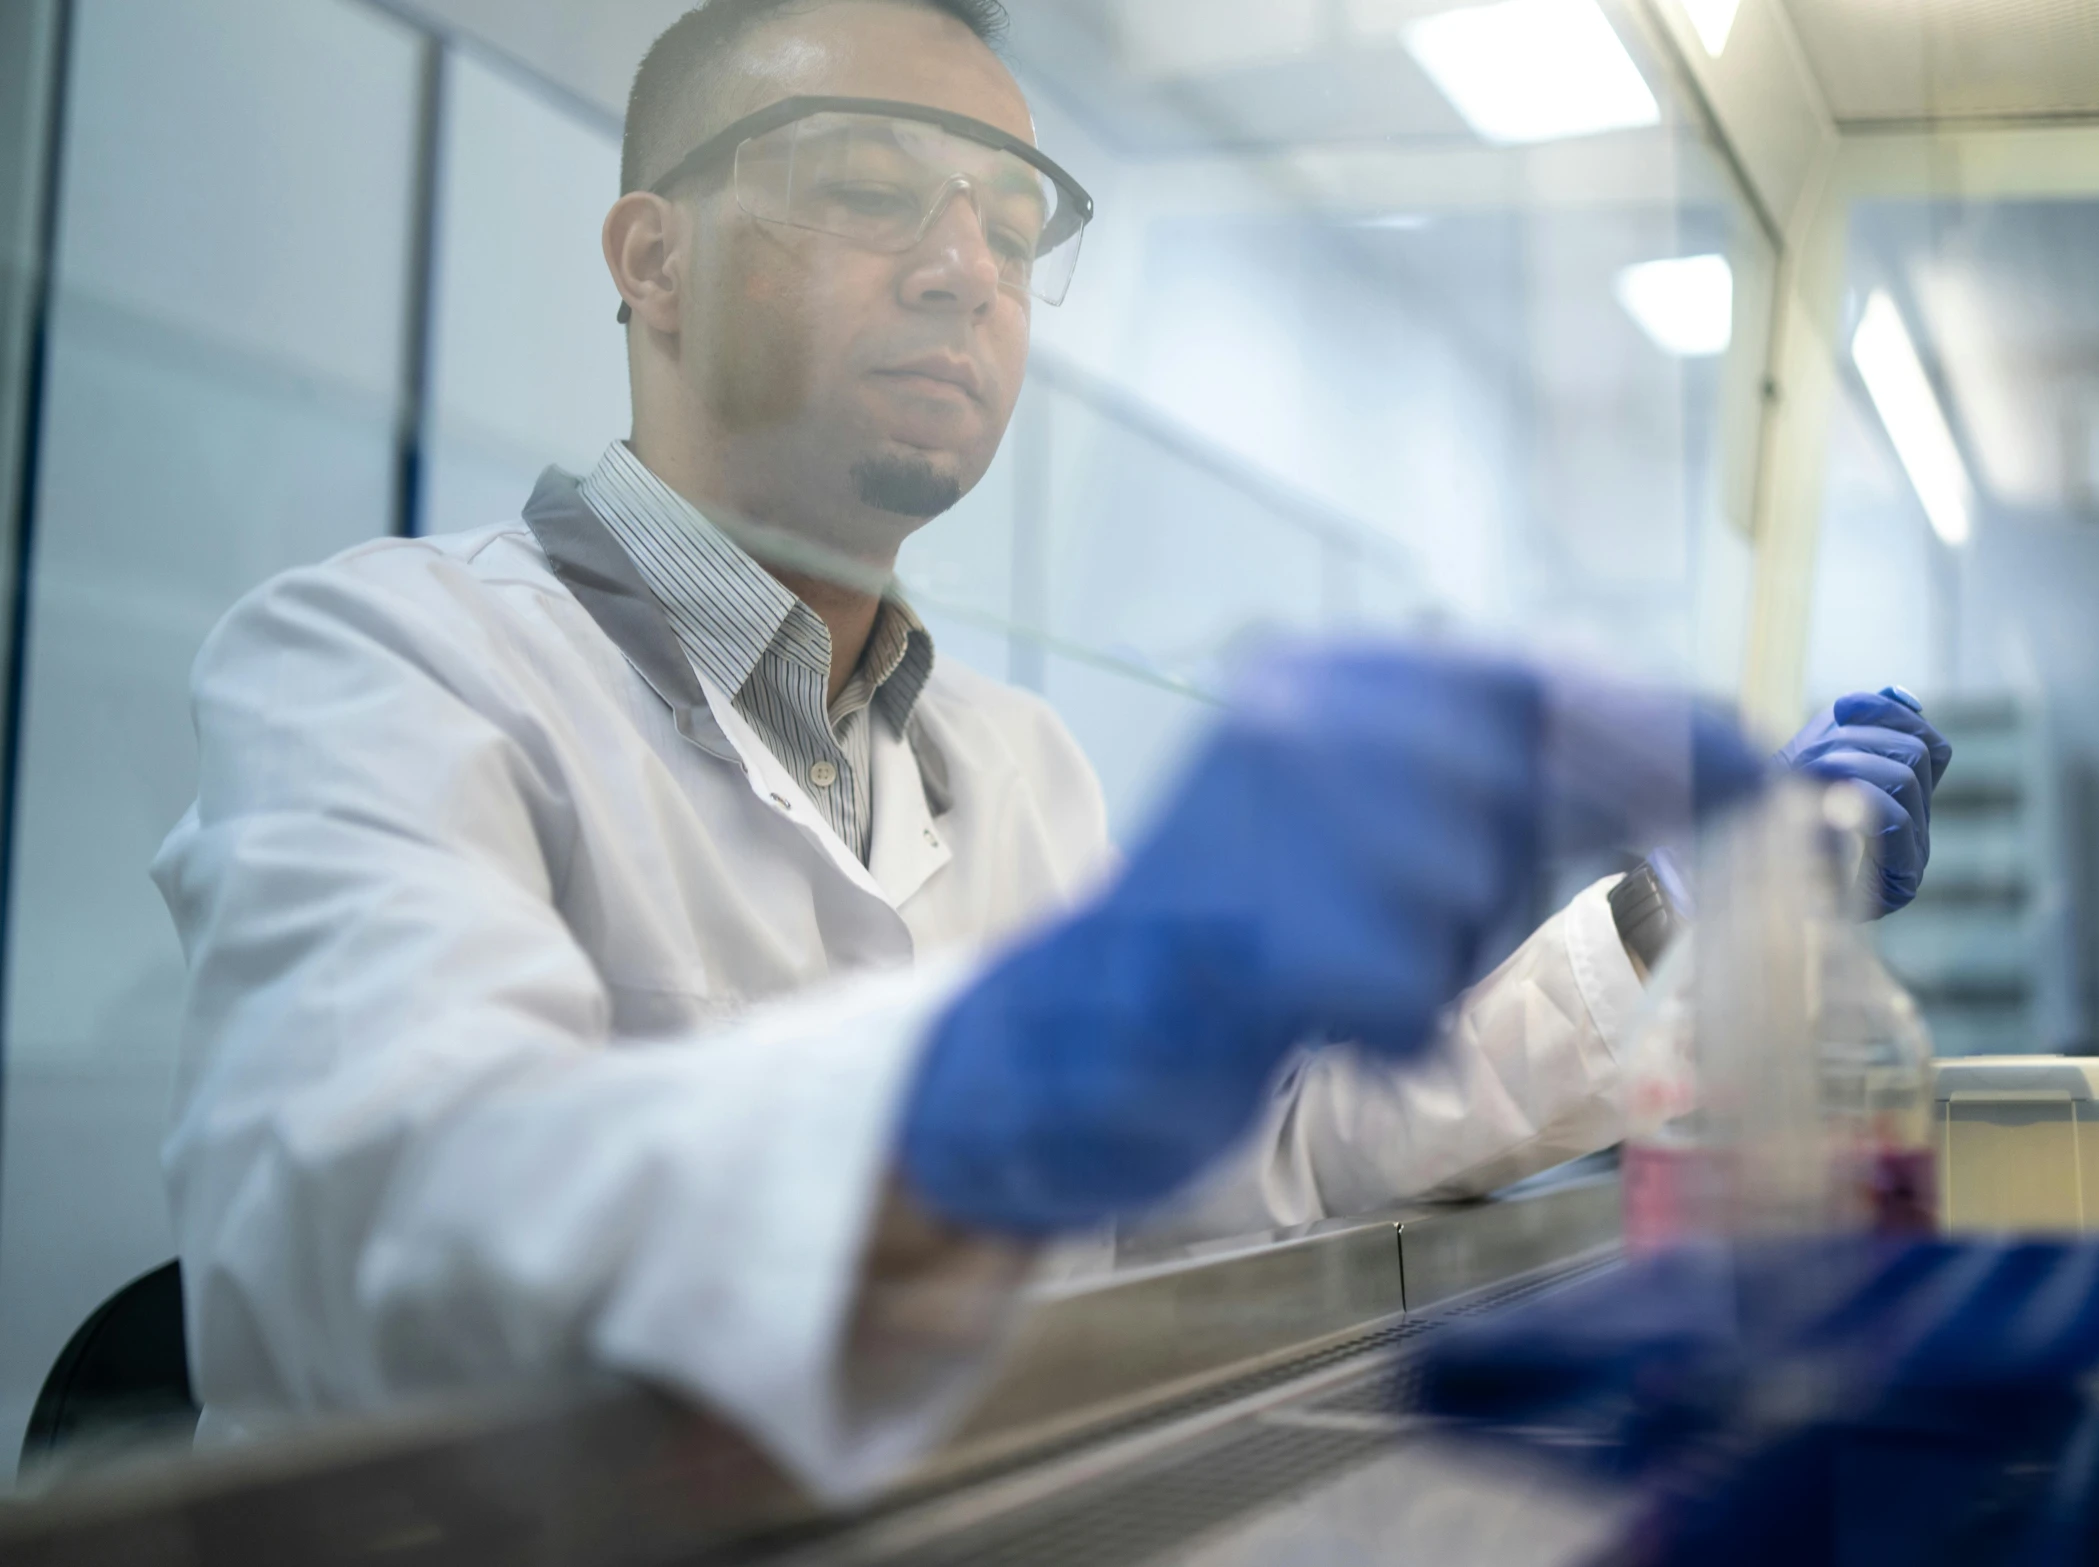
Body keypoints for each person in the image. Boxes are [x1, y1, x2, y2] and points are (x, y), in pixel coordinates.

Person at [150, 0, 1947, 1499]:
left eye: (1010, 237)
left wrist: (1661, 909)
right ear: (654, 258)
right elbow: (373, 1240)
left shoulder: (1013, 763)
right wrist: (1013, 1070)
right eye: (872, 192)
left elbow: (1267, 1166)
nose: (964, 274)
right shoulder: (384, 663)